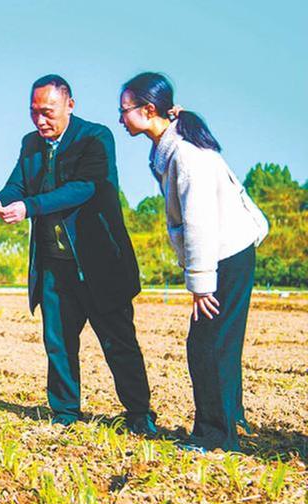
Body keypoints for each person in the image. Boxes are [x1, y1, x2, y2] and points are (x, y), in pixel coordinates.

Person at [0, 75, 156, 435]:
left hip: (99, 264)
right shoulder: (30, 144)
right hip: (54, 265)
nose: (40, 121)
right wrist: (0, 201)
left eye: (47, 112)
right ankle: (65, 412)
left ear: (69, 105)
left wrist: (29, 207)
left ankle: (139, 413)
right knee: (58, 342)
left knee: (118, 341)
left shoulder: (95, 137)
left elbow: (84, 189)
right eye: (34, 113)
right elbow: (18, 182)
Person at [118, 72, 268, 452]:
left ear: (149, 110)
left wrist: (202, 283)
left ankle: (215, 437)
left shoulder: (185, 154)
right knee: (221, 342)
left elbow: (200, 220)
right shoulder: (172, 146)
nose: (120, 118)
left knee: (206, 345)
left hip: (224, 254)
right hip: (232, 252)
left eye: (125, 110)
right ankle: (231, 418)